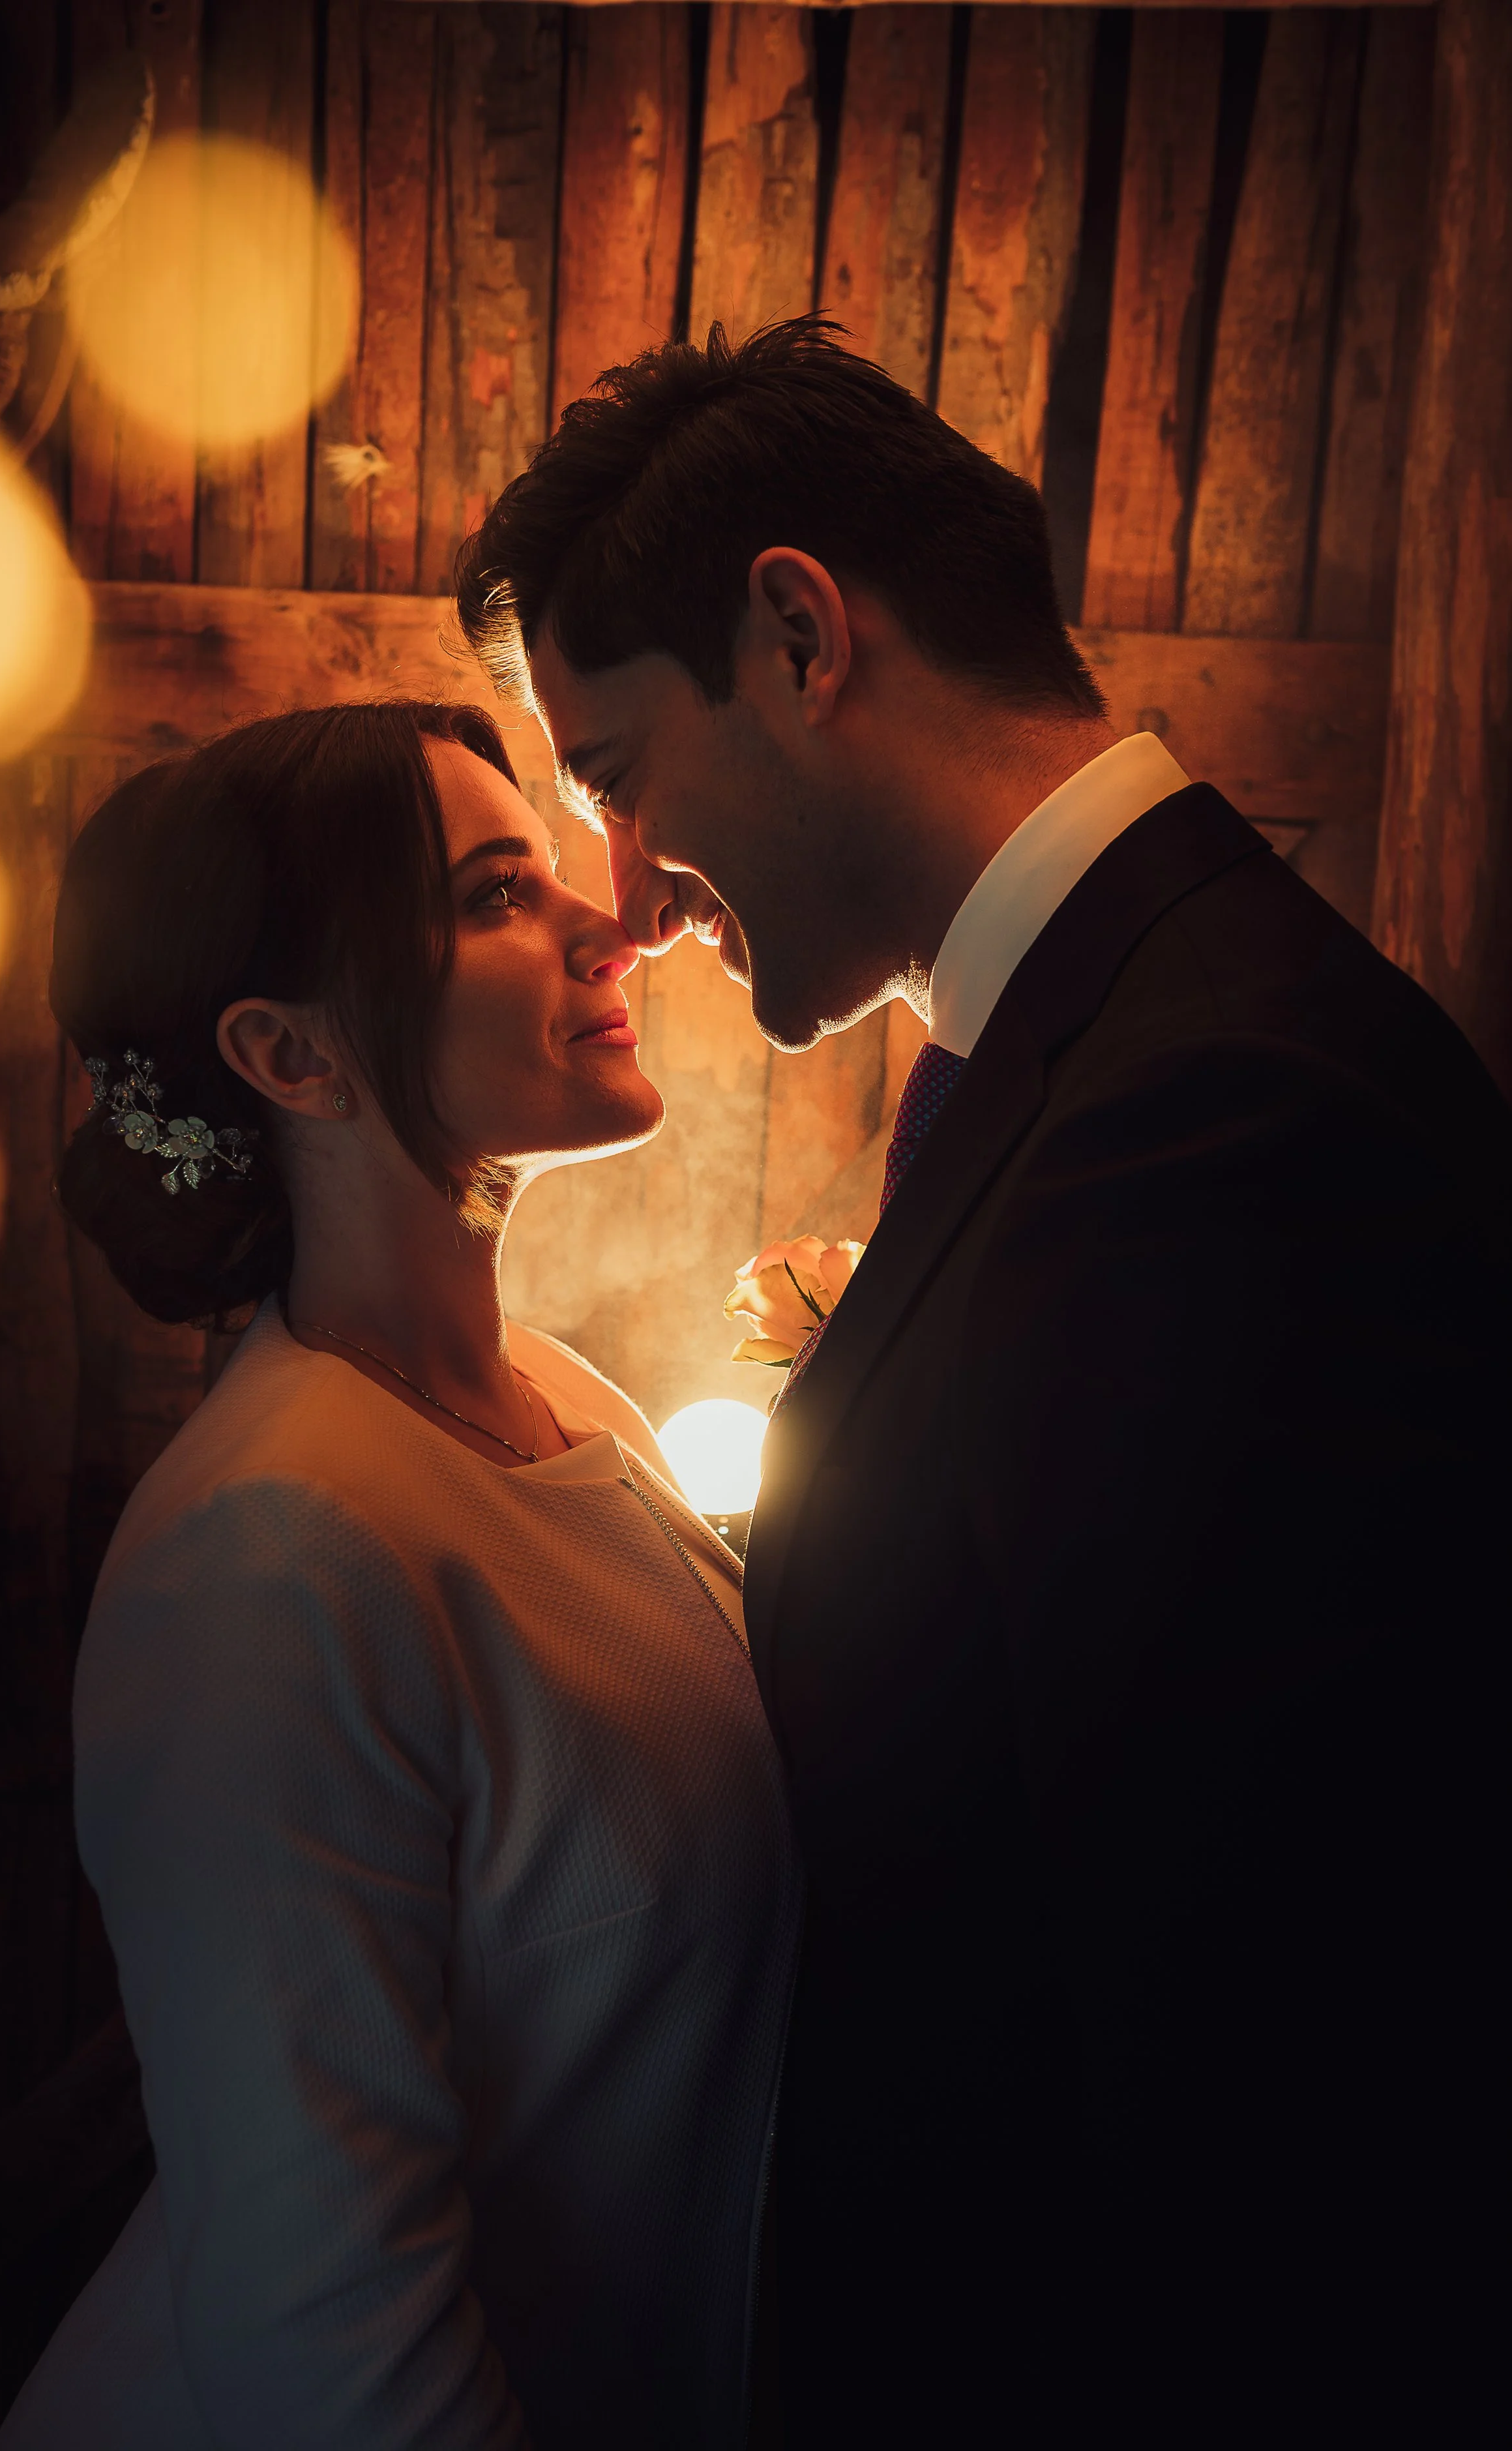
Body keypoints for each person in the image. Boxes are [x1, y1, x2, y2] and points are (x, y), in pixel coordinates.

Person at [453, 318, 1511, 2440]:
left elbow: (1258, 2049)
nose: (630, 895)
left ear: (795, 633)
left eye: (620, 777)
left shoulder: (1215, 1117)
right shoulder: (1087, 1051)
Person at [0, 702, 799, 2451]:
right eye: (500, 892)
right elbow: (327, 2341)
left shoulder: (560, 1401)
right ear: (289, 1051)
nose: (612, 922)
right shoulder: (269, 1553)